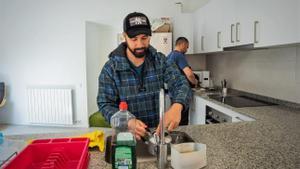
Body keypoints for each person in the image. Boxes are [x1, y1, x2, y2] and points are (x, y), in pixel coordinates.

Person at [97, 12, 192, 140]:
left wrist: (177, 106)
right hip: (127, 136)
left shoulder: (160, 61)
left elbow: (181, 83)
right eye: (134, 39)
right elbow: (105, 104)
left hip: (156, 135)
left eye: (144, 37)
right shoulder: (110, 69)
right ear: (124, 37)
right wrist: (127, 122)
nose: (140, 44)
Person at [167, 37, 199, 125]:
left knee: (175, 118)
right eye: (187, 47)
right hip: (181, 91)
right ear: (182, 44)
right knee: (183, 120)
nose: (187, 49)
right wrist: (195, 82)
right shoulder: (179, 55)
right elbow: (189, 74)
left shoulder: (169, 55)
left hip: (173, 91)